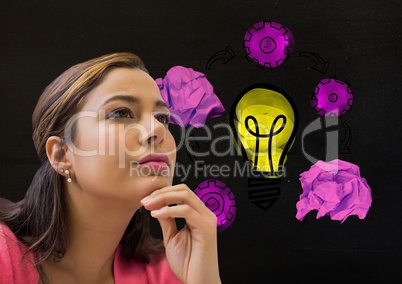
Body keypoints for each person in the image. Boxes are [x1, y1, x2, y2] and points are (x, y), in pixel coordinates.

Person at [0, 52, 221, 284]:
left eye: (162, 117)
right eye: (121, 113)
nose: (157, 129)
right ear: (61, 154)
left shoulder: (171, 274)